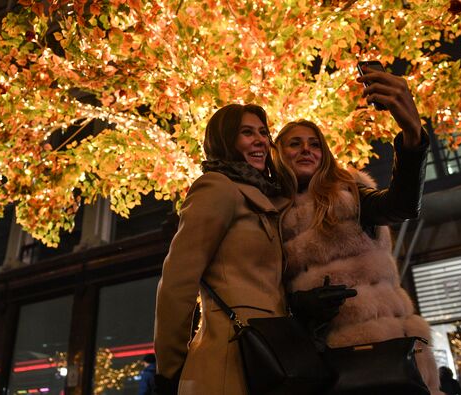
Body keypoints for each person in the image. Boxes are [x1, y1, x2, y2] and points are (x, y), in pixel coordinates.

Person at [272, 66, 443, 394]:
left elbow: (401, 205)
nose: (307, 149)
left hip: (390, 350)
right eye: (295, 144)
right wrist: (301, 304)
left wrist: (411, 134)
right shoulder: (270, 213)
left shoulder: (349, 190)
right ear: (278, 154)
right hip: (325, 360)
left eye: (314, 144)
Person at [154, 103, 290, 395]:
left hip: (270, 357)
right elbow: (178, 282)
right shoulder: (217, 187)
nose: (260, 140)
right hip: (228, 358)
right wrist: (170, 369)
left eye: (264, 133)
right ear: (224, 140)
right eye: (246, 132)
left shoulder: (267, 197)